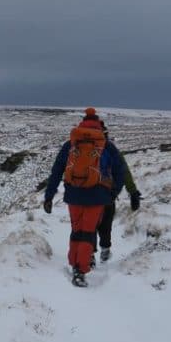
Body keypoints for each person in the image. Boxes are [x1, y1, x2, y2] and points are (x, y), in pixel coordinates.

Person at [43, 108, 125, 287]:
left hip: (73, 194)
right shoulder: (106, 145)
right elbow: (121, 172)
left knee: (76, 230)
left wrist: (49, 196)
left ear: (82, 123)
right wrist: (112, 193)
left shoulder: (71, 144)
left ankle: (76, 264)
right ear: (98, 125)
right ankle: (81, 270)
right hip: (97, 196)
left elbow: (56, 171)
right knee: (88, 232)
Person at [94, 120, 142, 262]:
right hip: (107, 192)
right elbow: (124, 171)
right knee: (106, 223)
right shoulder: (110, 149)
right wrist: (132, 192)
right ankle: (105, 250)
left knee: (89, 224)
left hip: (84, 192)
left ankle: (89, 254)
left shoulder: (79, 147)